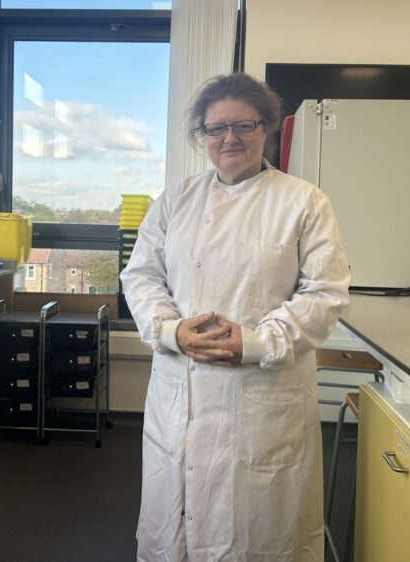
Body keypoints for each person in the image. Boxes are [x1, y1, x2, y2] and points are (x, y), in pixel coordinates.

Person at [120, 73, 351, 561]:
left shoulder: (304, 201)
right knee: (174, 528)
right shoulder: (174, 202)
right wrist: (169, 329)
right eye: (216, 128)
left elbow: (325, 293)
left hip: (261, 396)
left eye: (243, 125)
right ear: (202, 136)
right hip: (180, 387)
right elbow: (141, 276)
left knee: (260, 532)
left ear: (265, 128)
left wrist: (254, 342)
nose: (230, 138)